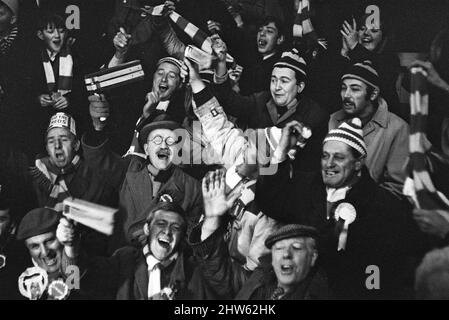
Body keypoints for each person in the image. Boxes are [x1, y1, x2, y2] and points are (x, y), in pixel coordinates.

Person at [257, 118, 423, 299]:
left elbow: (384, 271)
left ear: (358, 163)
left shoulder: (382, 205)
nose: (329, 164)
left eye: (339, 157)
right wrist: (281, 151)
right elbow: (268, 201)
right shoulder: (307, 185)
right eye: (325, 155)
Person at [189, 170, 331, 300]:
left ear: (313, 256)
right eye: (279, 248)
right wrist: (212, 219)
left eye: (297, 247)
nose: (286, 254)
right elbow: (225, 279)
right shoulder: (263, 280)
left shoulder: (315, 292)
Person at [87, 94, 203, 249]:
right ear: (147, 149)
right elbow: (98, 160)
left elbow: (194, 238)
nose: (163, 146)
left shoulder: (192, 188)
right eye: (157, 140)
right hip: (124, 261)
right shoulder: (128, 168)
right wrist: (98, 127)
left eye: (170, 141)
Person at [58, 201, 203, 300]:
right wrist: (71, 247)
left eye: (175, 228)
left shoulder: (192, 270)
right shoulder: (124, 260)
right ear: (147, 229)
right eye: (161, 223)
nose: (167, 232)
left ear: (182, 237)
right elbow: (77, 283)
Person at [329, 60, 409, 195]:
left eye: (355, 89)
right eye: (344, 88)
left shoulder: (398, 128)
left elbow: (398, 188)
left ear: (373, 94)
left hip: (370, 209)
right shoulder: (333, 120)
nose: (346, 95)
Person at [340, 13, 401, 118]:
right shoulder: (354, 56)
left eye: (374, 30)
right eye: (362, 29)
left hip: (385, 120)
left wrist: (355, 46)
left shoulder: (390, 59)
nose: (366, 33)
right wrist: (344, 52)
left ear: (384, 37)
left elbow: (377, 76)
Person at [15, 208, 81, 300]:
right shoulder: (19, 278)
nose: (45, 252)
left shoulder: (87, 266)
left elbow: (75, 282)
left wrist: (70, 248)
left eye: (49, 241)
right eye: (35, 246)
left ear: (63, 236)